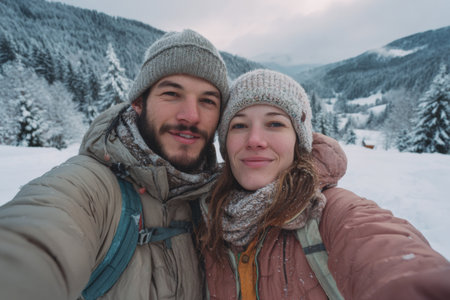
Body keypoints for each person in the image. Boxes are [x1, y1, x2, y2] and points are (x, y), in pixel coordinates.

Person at [0, 29, 229, 300]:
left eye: (207, 101)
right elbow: (38, 231)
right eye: (171, 93)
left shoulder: (218, 197)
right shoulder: (92, 187)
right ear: (138, 103)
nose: (191, 115)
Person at [200, 69, 450, 300]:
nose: (255, 140)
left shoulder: (331, 213)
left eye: (275, 123)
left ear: (299, 142)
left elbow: (389, 256)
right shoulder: (204, 217)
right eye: (240, 125)